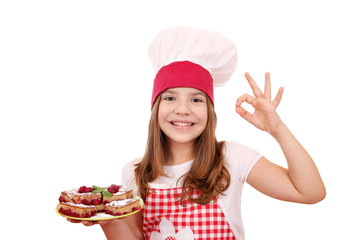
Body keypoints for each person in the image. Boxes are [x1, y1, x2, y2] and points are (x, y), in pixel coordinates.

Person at [68, 27, 326, 240]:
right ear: (155, 108)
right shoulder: (134, 171)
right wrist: (106, 219)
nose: (182, 110)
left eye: (196, 100)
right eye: (170, 98)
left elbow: (310, 192)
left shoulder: (231, 158)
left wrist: (277, 129)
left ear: (210, 111)